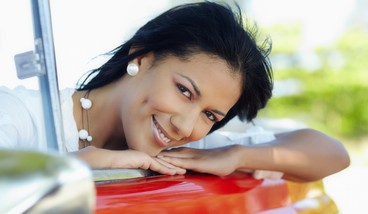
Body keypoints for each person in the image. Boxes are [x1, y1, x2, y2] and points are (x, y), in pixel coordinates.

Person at [0, 2, 349, 182]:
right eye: (185, 91)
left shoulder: (188, 151)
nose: (186, 126)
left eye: (211, 116)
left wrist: (238, 156)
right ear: (141, 58)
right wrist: (80, 165)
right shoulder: (21, 114)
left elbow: (331, 152)